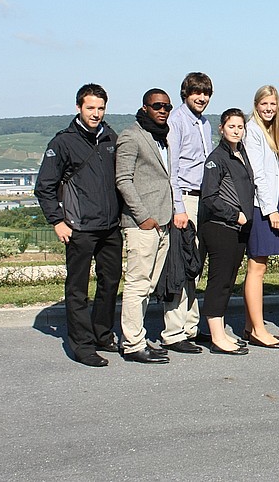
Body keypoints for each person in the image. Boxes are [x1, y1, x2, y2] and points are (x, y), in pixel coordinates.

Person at [35, 84, 122, 367]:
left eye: (100, 108)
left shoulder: (111, 136)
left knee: (110, 283)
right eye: (90, 108)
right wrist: (57, 221)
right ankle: (83, 346)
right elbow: (44, 187)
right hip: (79, 227)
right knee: (78, 289)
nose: (96, 114)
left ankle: (102, 334)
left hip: (110, 226)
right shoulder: (62, 142)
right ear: (78, 108)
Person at [116, 89, 176, 364]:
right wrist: (142, 217)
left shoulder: (162, 136)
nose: (163, 110)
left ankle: (138, 337)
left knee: (149, 285)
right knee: (137, 284)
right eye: (157, 106)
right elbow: (123, 180)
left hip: (162, 221)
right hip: (143, 224)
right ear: (144, 108)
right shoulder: (132, 135)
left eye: (167, 106)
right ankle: (132, 344)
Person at [164, 71, 213, 352]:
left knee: (196, 266)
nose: (202, 97)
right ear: (186, 93)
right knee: (181, 267)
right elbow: (172, 169)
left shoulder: (205, 124)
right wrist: (178, 207)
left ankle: (190, 327)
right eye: (196, 92)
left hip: (203, 199)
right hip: (185, 200)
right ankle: (174, 332)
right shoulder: (177, 122)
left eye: (206, 93)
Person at [198, 108, 253, 355]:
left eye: (240, 127)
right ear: (222, 128)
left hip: (238, 228)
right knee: (219, 282)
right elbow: (209, 197)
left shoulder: (240, 153)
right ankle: (217, 338)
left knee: (228, 281)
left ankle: (217, 332)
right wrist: (235, 215)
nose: (236, 131)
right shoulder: (217, 158)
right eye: (232, 127)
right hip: (220, 227)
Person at [242, 85, 279, 348]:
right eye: (264, 104)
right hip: (262, 206)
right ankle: (259, 330)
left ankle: (251, 326)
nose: (269, 109)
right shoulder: (253, 131)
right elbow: (258, 174)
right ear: (256, 105)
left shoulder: (270, 132)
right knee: (257, 267)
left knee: (260, 265)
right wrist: (271, 209)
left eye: (273, 104)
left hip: (270, 202)